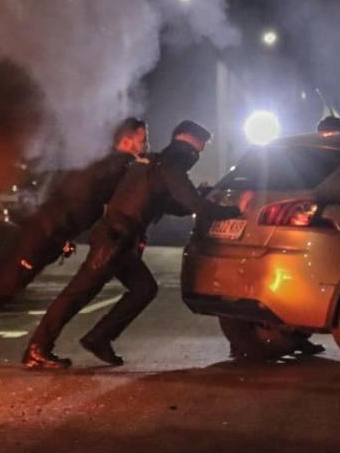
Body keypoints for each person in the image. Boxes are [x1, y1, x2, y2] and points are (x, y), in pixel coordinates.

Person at [0, 118, 149, 363]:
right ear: (126, 140)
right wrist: (138, 164)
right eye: (143, 139)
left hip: (45, 231)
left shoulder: (97, 163)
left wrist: (62, 238)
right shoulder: (117, 163)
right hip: (43, 234)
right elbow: (78, 202)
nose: (146, 145)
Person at [23, 120, 242, 369]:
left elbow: (172, 205)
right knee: (78, 293)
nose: (197, 154)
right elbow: (196, 207)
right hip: (114, 240)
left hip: (120, 241)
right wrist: (235, 210)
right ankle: (38, 347)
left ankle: (99, 338)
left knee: (144, 289)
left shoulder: (156, 164)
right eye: (197, 148)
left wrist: (200, 197)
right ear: (185, 142)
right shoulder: (169, 167)